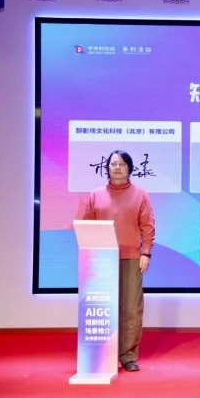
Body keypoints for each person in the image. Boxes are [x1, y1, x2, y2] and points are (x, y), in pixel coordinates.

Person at [82, 150, 155, 372]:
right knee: (102, 307)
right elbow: (87, 226)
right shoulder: (95, 195)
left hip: (130, 258)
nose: (117, 167)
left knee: (131, 308)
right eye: (113, 163)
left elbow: (148, 226)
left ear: (129, 168)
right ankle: (102, 352)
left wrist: (146, 252)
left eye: (122, 164)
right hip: (101, 260)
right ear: (107, 167)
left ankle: (128, 356)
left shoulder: (140, 194)